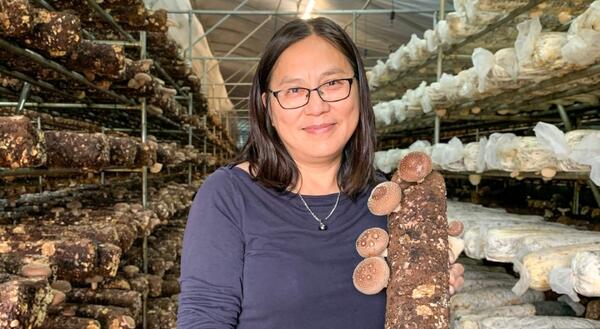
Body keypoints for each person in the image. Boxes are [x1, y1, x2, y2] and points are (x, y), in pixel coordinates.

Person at [178, 17, 464, 329]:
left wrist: (424, 287)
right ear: (268, 107)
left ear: (359, 91)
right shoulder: (228, 196)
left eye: (333, 84)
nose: (316, 106)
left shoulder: (391, 202)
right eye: (294, 90)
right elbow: (204, 318)